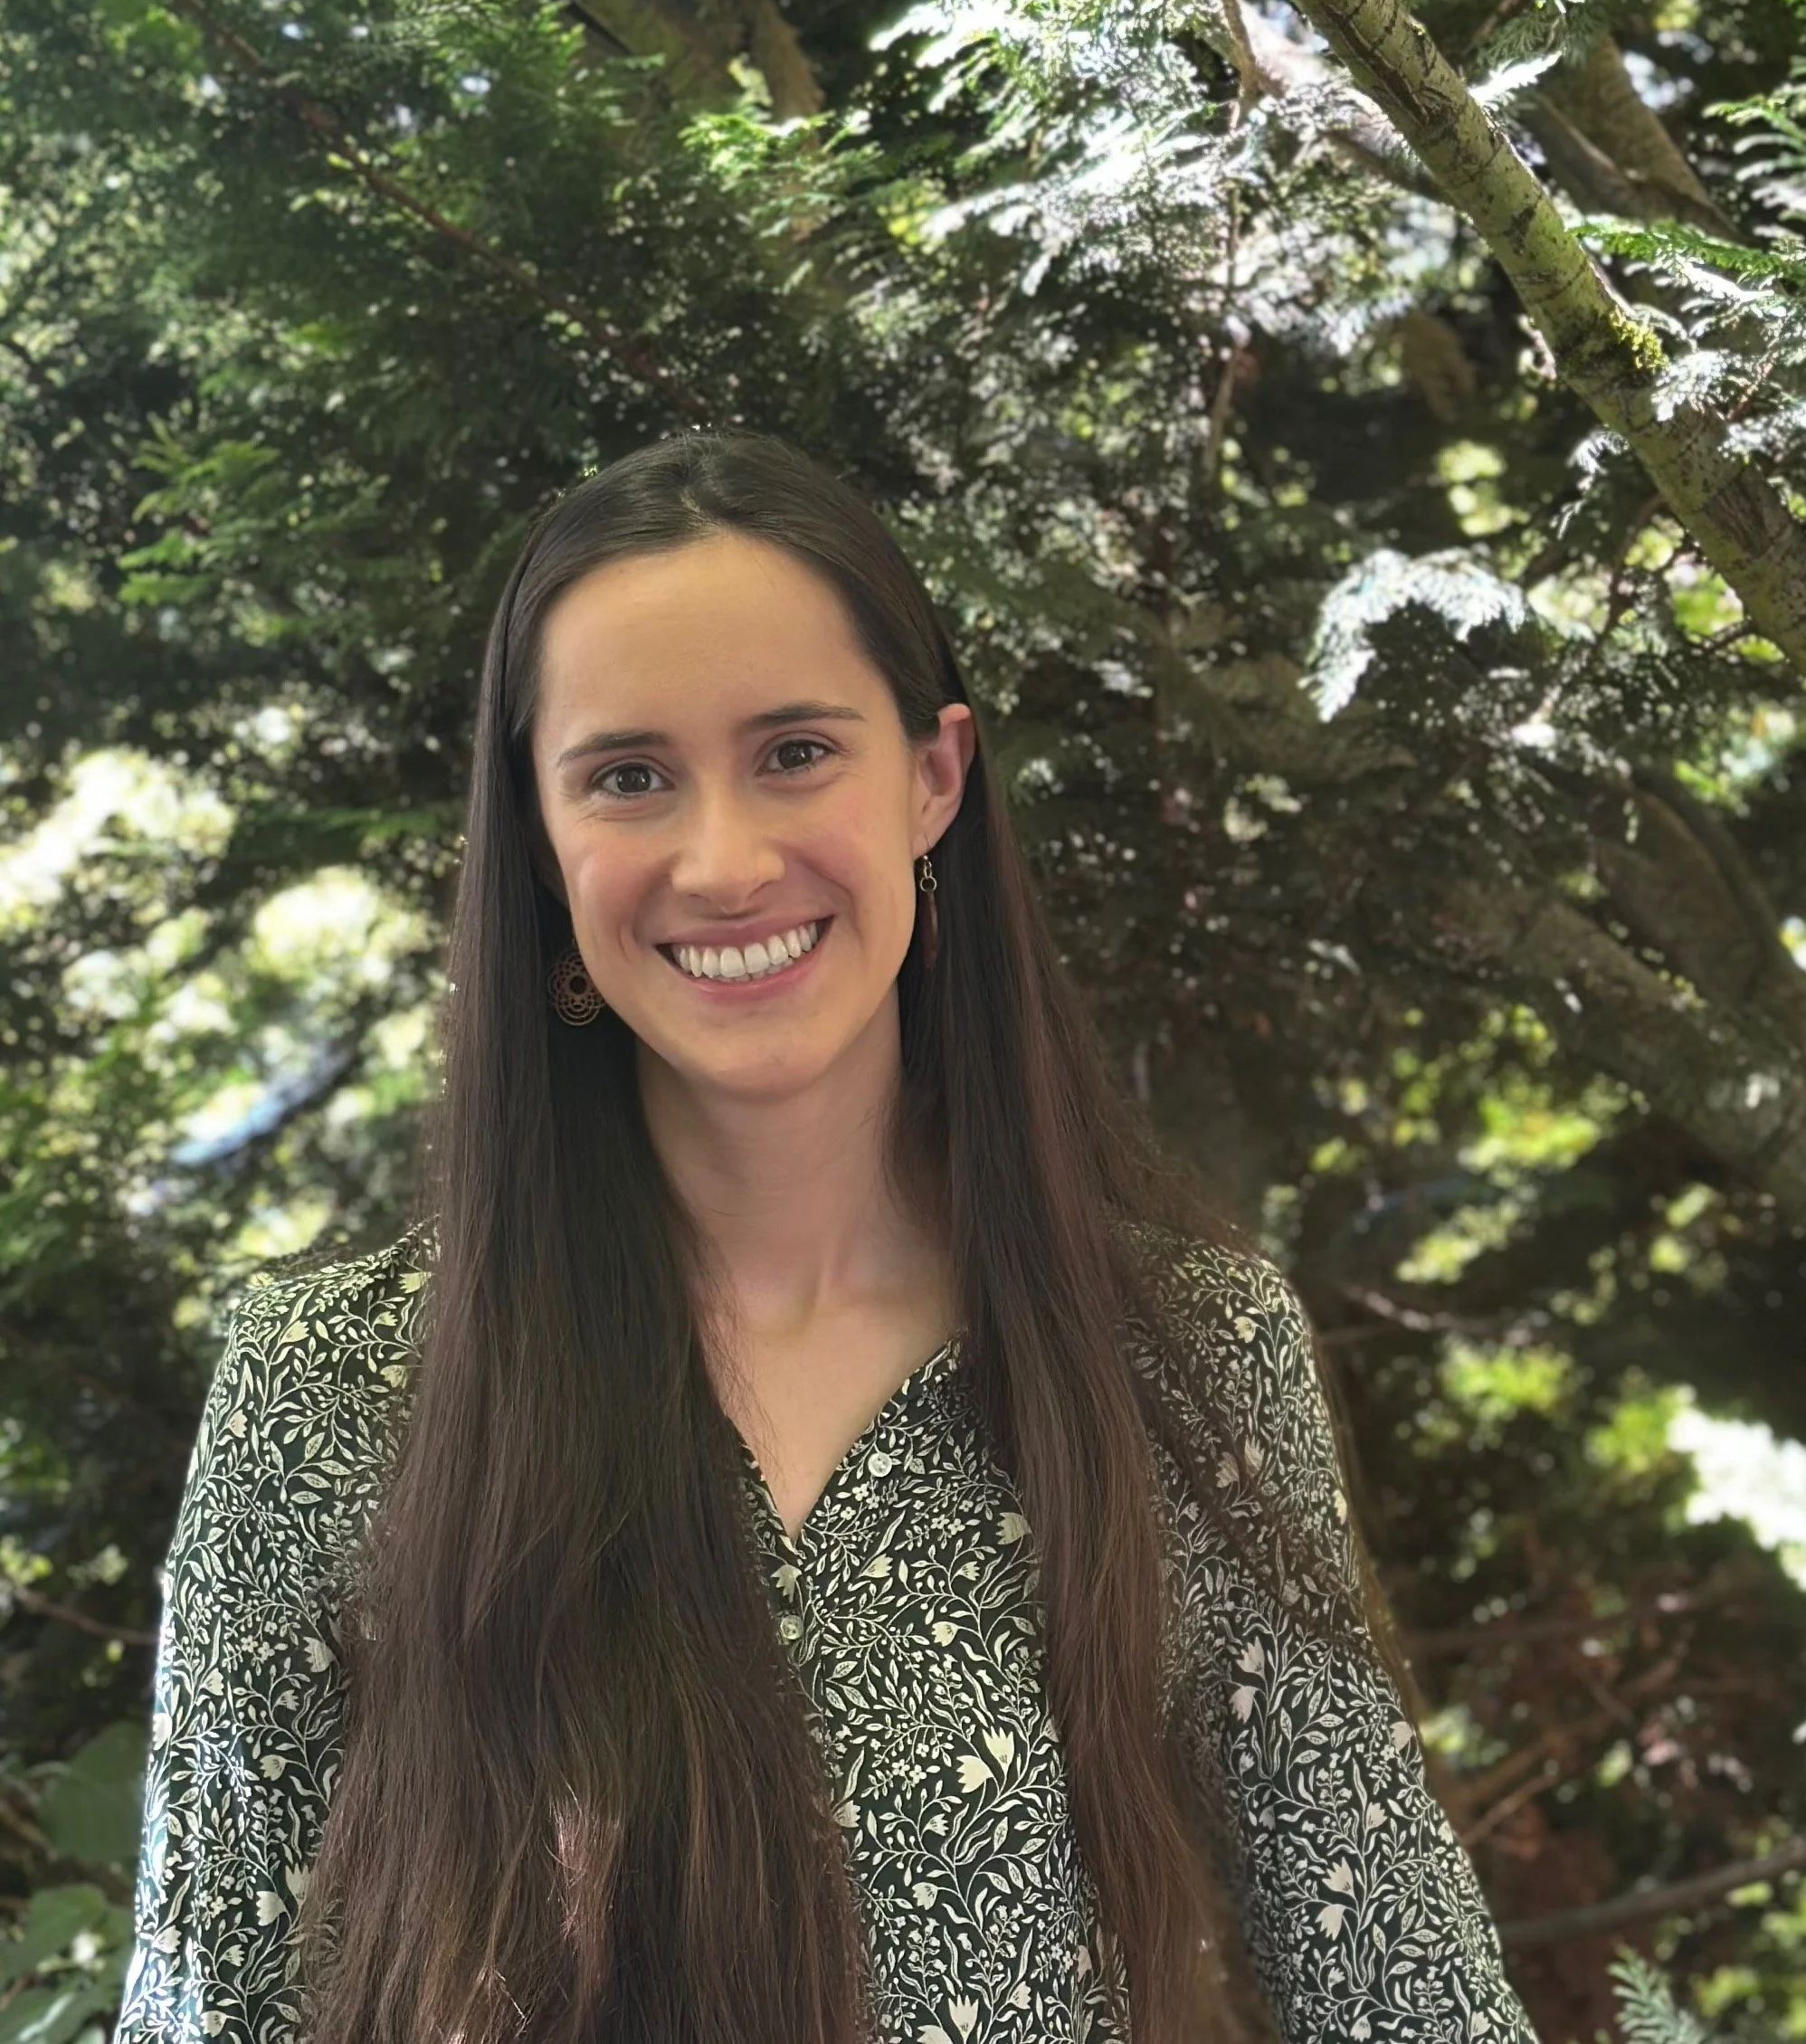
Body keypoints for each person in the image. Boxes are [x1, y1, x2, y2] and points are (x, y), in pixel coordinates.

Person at [112, 432, 1539, 2044]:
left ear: (933, 777)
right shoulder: (335, 1386)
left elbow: (1404, 1988)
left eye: (794, 750)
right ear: (535, 831)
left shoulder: (1180, 1359)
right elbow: (202, 2004)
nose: (722, 861)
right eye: (628, 774)